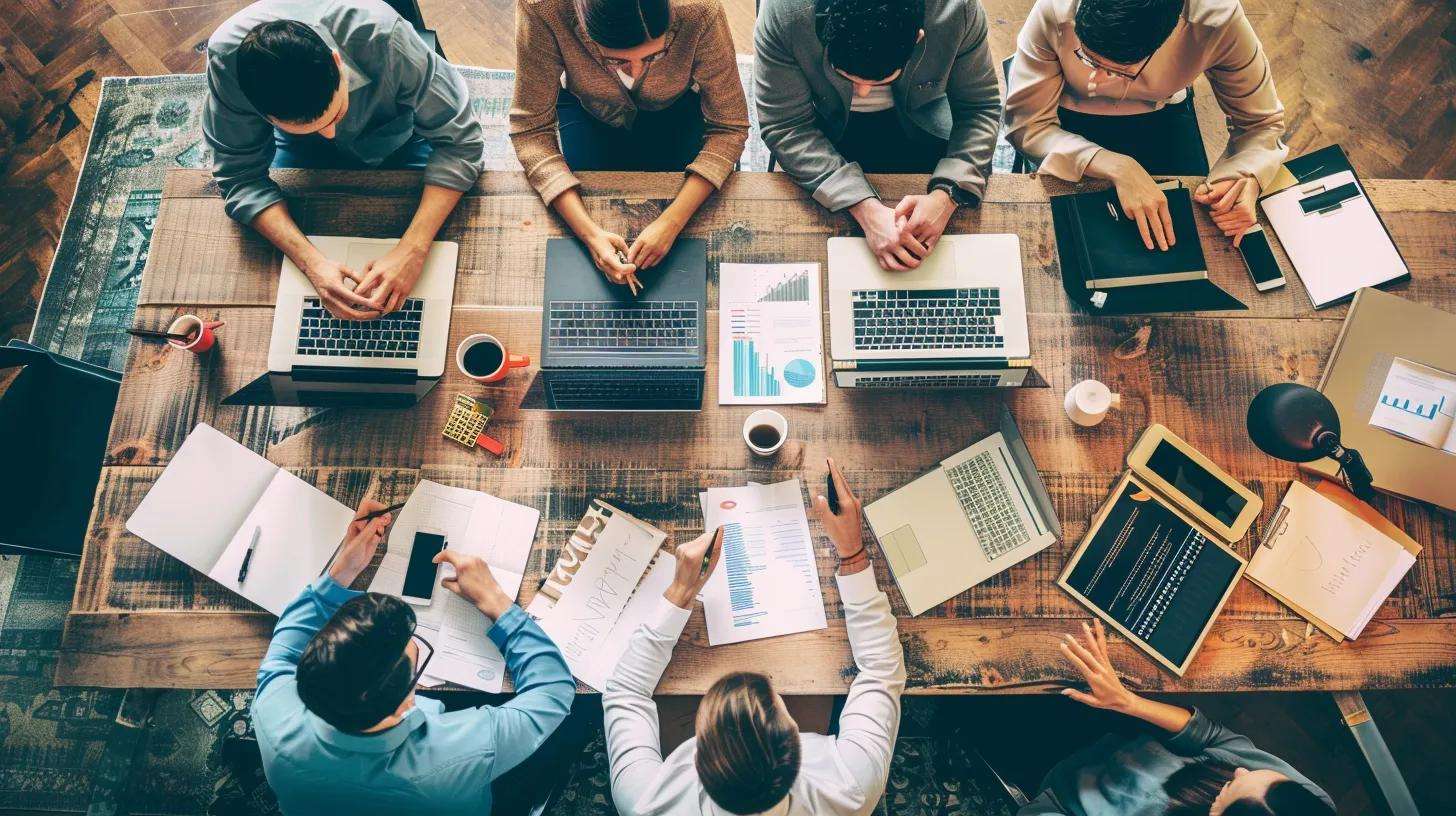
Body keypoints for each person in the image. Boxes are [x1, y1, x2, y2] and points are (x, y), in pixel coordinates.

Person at [604, 459, 905, 815]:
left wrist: (680, 592)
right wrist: (853, 554)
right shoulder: (852, 785)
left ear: (696, 757)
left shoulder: (644, 803)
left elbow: (624, 691)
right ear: (797, 737)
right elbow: (882, 672)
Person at [251, 500, 575, 814]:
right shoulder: (466, 752)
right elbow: (554, 690)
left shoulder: (274, 716)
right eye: (415, 651)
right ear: (405, 704)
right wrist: (496, 601)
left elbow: (281, 656)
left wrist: (342, 570)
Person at [204, 0, 485, 320]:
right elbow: (239, 177)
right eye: (312, 128)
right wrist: (312, 264)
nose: (329, 135)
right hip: (300, 156)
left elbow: (462, 143)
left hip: (399, 139)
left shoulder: (384, 37)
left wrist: (414, 249)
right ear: (261, 114)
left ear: (337, 62)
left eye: (336, 114)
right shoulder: (226, 61)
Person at [1004, 0, 1287, 249]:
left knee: (1191, 232)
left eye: (1118, 71)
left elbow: (1261, 123)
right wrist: (1118, 167)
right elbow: (1028, 125)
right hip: (1063, 119)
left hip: (1163, 114)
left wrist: (1244, 175)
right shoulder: (1054, 8)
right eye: (1087, 58)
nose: (1095, 81)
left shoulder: (1217, 19)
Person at [509, 0, 749, 290]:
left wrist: (672, 222)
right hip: (591, 111)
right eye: (616, 61)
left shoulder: (700, 10)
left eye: (654, 57)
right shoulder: (542, 8)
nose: (634, 74)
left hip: (674, 110)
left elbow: (729, 126)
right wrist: (590, 235)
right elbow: (530, 130)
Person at [754, 0, 1002, 271]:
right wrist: (865, 209)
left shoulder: (958, 9)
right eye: (848, 78)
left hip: (923, 130)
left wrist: (948, 194)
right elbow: (786, 125)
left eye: (881, 81)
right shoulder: (784, 12)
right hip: (822, 134)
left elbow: (979, 108)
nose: (863, 93)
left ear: (918, 38)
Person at [1016, 619, 1335, 815]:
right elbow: (1211, 737)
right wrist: (1127, 702)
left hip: (1059, 790)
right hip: (1120, 734)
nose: (1240, 770)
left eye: (1231, 787)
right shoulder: (1307, 803)